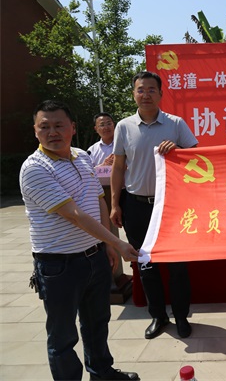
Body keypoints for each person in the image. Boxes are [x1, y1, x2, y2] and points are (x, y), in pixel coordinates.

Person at [20, 100, 141, 380]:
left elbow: (97, 200)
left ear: (72, 128)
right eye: (44, 127)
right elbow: (74, 214)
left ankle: (102, 372)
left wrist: (107, 245)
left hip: (94, 257)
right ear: (35, 131)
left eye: (59, 125)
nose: (52, 132)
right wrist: (119, 243)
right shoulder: (35, 168)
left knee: (97, 322)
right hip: (59, 265)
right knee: (63, 336)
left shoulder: (82, 156)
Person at [110, 71, 198, 340]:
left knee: (177, 266)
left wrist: (178, 151)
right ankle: (158, 316)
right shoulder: (124, 126)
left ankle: (181, 316)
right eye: (140, 89)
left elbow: (197, 159)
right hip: (136, 205)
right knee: (145, 265)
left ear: (160, 94)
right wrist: (115, 204)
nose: (145, 94)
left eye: (151, 89)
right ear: (133, 94)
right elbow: (118, 167)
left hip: (172, 206)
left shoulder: (175, 124)